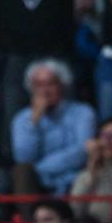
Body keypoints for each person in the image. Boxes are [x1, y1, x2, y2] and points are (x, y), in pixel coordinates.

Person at [11, 59, 97, 195]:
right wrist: (33, 122)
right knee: (22, 172)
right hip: (38, 185)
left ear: (63, 85)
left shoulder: (83, 112)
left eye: (51, 84)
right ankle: (28, 217)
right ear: (31, 88)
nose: (44, 91)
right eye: (38, 85)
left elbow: (83, 151)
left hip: (74, 180)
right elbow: (24, 160)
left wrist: (40, 168)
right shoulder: (22, 119)